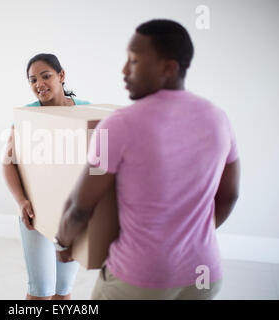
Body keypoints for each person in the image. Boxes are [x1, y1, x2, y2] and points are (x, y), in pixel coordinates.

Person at [54, 19, 240, 300]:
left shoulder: (116, 126)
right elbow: (229, 196)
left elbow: (81, 207)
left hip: (141, 279)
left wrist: (63, 242)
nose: (124, 70)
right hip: (204, 275)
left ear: (169, 67)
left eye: (134, 61)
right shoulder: (218, 119)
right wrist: (187, 238)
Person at [2, 53, 91, 300]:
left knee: (63, 291)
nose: (39, 84)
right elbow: (8, 163)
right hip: (35, 214)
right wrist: (21, 201)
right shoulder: (26, 117)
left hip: (72, 215)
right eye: (32, 80)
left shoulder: (87, 112)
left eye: (46, 76)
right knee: (40, 292)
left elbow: (99, 165)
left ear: (61, 76)